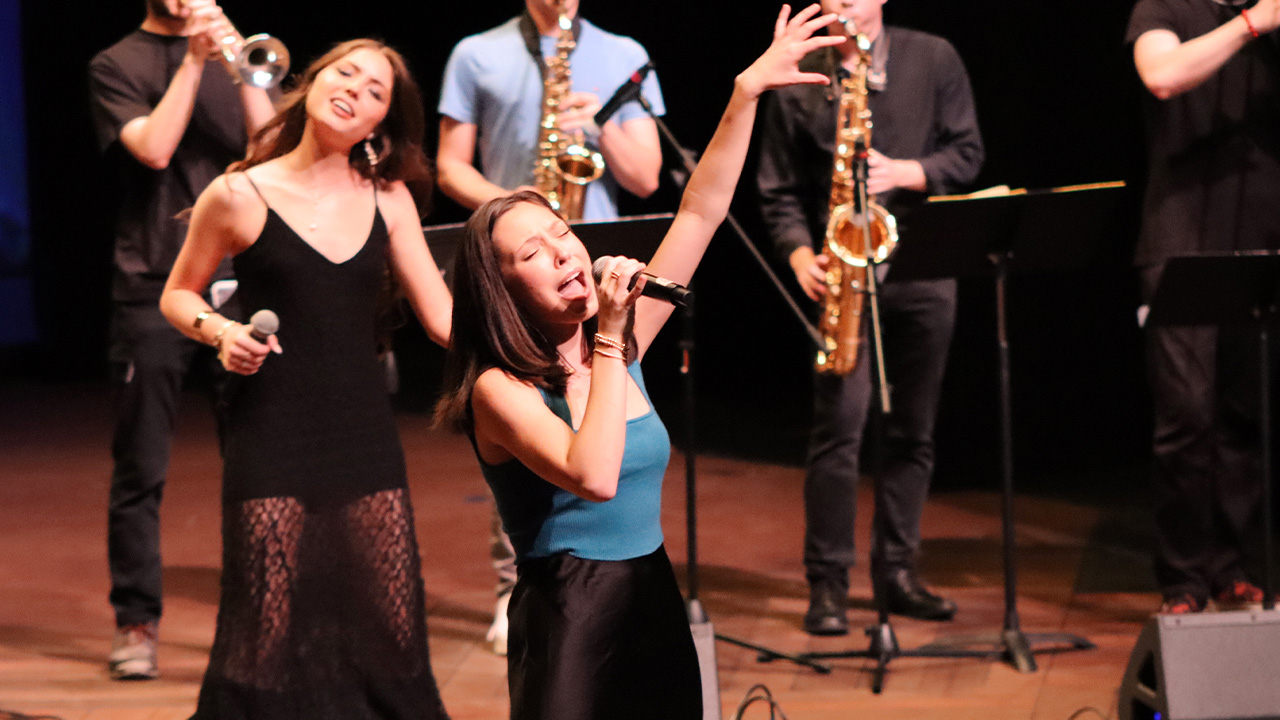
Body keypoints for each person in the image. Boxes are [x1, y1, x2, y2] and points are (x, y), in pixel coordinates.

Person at [434, 6, 842, 717]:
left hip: (651, 597)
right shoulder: (501, 389)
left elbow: (699, 212)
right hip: (569, 615)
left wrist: (744, 93)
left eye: (562, 236)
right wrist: (613, 336)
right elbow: (593, 476)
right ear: (501, 289)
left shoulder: (617, 341)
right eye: (533, 253)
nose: (564, 252)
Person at [159, 39, 453, 718]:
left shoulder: (390, 198)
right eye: (344, 72)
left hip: (362, 434)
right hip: (273, 431)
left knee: (392, 626)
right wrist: (224, 332)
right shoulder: (238, 193)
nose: (354, 88)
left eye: (375, 89)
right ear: (314, 80)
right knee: (262, 628)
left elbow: (443, 321)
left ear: (381, 121)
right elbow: (179, 296)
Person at [435, 0, 665, 654]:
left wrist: (597, 129)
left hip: (582, 267)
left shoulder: (624, 53)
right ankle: (520, 585)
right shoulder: (477, 52)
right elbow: (450, 164)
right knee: (528, 438)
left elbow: (648, 176)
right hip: (515, 258)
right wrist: (516, 223)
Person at [756, 0, 984, 635]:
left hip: (923, 270)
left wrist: (907, 171)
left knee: (914, 433)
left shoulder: (933, 56)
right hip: (843, 277)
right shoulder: (803, 75)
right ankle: (827, 586)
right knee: (839, 436)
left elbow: (968, 153)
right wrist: (799, 253)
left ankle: (898, 573)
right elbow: (775, 189)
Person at [88, 0, 276, 680]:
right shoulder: (117, 63)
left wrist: (240, 69)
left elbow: (270, 148)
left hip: (239, 279)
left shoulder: (241, 53)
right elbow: (155, 147)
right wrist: (195, 61)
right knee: (141, 464)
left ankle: (261, 616)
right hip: (151, 280)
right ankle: (136, 621)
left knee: (256, 457)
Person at [1128, 0, 1280, 614]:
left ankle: (1232, 567)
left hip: (1267, 239)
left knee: (1247, 414)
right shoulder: (1164, 7)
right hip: (1182, 241)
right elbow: (1162, 76)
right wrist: (1252, 25)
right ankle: (1184, 579)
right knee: (1187, 416)